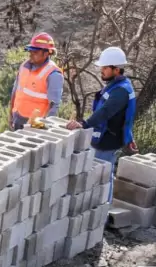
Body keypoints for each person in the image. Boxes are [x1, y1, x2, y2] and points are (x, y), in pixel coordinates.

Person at [66, 47, 137, 192]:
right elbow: (123, 117)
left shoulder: (120, 91)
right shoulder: (116, 86)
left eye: (105, 67)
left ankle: (103, 210)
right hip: (105, 137)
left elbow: (105, 112)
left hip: (108, 141)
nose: (102, 70)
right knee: (102, 176)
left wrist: (84, 124)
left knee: (102, 178)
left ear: (116, 69)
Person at [9, 32, 63, 130]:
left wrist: (44, 127)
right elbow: (15, 92)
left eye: (35, 52)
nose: (31, 54)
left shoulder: (53, 74)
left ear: (46, 53)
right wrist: (11, 115)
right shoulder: (24, 66)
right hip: (17, 118)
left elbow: (54, 106)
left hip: (35, 125)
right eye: (30, 51)